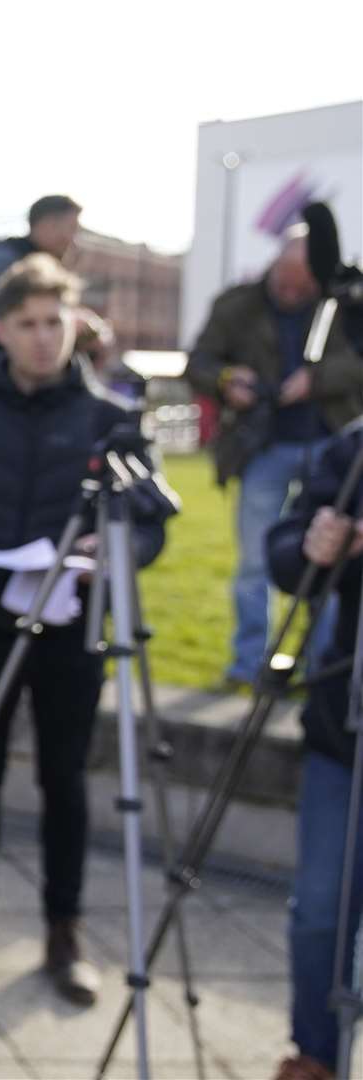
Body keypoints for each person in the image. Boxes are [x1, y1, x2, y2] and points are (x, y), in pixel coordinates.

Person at [0, 254, 173, 1004]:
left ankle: (63, 936)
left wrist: (111, 556)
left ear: (76, 325)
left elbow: (153, 525)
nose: (41, 337)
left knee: (64, 781)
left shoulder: (110, 420)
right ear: (0, 330)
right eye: (26, 323)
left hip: (72, 631)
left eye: (54, 321)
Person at [186, 229, 363, 687]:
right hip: (263, 442)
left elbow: (358, 361)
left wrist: (315, 379)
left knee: (330, 553)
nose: (291, 292)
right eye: (284, 281)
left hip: (331, 441)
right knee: (255, 560)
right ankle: (249, 663)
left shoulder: (343, 304)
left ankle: (322, 665)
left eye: (302, 285)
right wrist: (228, 379)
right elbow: (199, 361)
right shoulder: (237, 303)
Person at [268, 422, 363, 1080]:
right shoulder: (352, 447)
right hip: (343, 726)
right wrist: (315, 545)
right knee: (319, 912)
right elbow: (282, 547)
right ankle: (315, 1055)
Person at [0, 194, 86, 384]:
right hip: (1, 394)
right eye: (72, 229)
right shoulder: (4, 262)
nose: (74, 241)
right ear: (49, 225)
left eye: (53, 323)